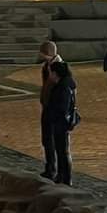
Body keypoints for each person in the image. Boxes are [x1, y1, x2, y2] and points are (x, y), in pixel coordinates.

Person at [42, 60, 77, 185]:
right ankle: (62, 176)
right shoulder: (66, 84)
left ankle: (65, 178)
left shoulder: (63, 87)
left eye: (51, 72)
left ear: (56, 73)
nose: (49, 74)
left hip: (61, 124)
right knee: (61, 150)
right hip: (61, 123)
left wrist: (53, 115)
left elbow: (62, 107)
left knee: (63, 151)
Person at [38, 41, 65, 179]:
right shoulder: (46, 66)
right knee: (46, 139)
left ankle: (55, 171)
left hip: (54, 109)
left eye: (42, 52)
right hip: (47, 106)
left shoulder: (59, 68)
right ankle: (50, 168)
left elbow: (66, 89)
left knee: (54, 141)